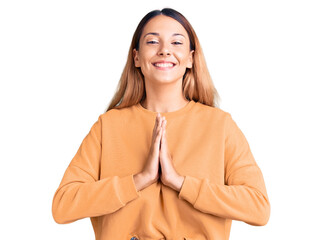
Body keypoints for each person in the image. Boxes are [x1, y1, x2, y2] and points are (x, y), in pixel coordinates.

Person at [52, 7, 270, 240]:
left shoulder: (220, 126)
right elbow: (63, 206)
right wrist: (138, 180)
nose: (165, 51)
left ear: (190, 58)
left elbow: (258, 208)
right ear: (136, 57)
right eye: (153, 41)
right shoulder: (108, 127)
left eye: (176, 43)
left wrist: (180, 182)